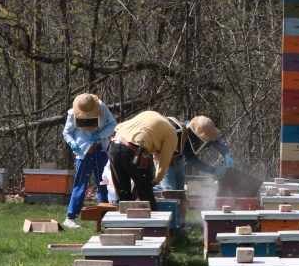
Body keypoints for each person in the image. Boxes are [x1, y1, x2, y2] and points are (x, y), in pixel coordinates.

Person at [109, 111, 228, 203]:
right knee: (170, 193)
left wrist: (225, 152)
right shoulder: (175, 133)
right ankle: (170, 225)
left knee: (179, 193)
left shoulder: (191, 127)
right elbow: (175, 159)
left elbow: (214, 140)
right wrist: (156, 179)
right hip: (160, 158)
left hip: (119, 145)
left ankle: (179, 223)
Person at [62, 93, 116, 227]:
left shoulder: (102, 108)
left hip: (101, 150)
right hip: (83, 152)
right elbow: (67, 132)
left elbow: (113, 124)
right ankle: (70, 217)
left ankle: (104, 215)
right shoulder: (72, 113)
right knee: (80, 184)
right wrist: (71, 143)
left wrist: (100, 135)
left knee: (103, 183)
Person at [158, 115, 233, 191]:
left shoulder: (197, 129)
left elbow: (214, 139)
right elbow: (192, 159)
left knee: (180, 190)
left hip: (177, 158)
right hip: (164, 158)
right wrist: (213, 170)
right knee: (170, 191)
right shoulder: (185, 135)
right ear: (195, 134)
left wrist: (226, 153)